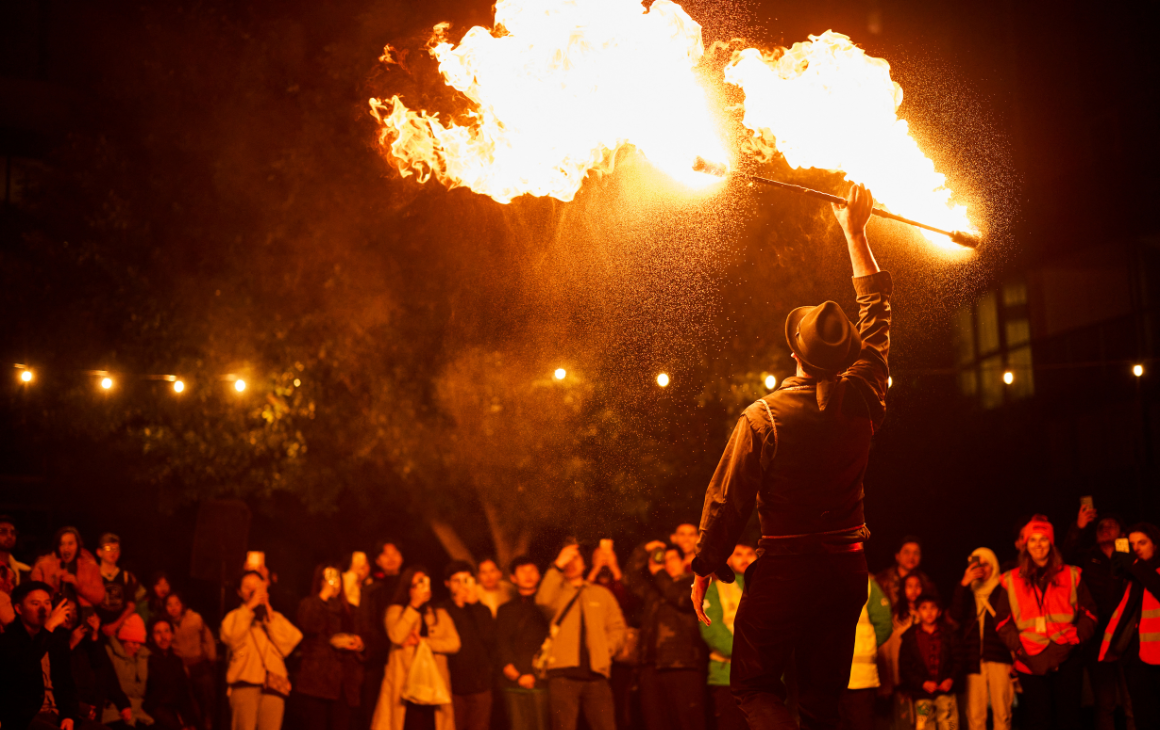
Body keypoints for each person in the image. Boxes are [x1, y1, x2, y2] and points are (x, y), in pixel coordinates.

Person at [691, 183, 891, 729]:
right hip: (847, 568)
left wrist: (705, 566)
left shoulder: (763, 416)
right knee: (823, 702)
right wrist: (856, 233)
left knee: (754, 688)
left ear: (793, 352)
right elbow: (877, 311)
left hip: (786, 572)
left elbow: (727, 498)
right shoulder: (867, 389)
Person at [993, 515, 1097, 730]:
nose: (1038, 544)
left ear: (1051, 542)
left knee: (1069, 720)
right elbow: (1002, 622)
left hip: (1066, 656)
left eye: (1043, 539)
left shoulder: (1071, 574)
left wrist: (1075, 639)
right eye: (1033, 539)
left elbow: (1091, 613)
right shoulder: (1011, 579)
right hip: (1030, 660)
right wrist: (1020, 647)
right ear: (1025, 544)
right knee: (1039, 722)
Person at [536, 542, 627, 730]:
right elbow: (542, 600)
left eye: (575, 558)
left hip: (597, 676)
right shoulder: (555, 592)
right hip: (562, 675)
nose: (570, 562)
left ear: (585, 564)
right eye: (566, 558)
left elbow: (618, 628)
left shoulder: (601, 594)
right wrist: (557, 565)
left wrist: (605, 649)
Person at [1062, 506, 1134, 730]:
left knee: (1133, 701)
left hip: (1128, 637)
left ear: (1122, 533)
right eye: (1101, 527)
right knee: (1105, 703)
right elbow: (1064, 557)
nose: (1105, 529)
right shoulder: (1088, 557)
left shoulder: (1130, 558)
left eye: (1111, 526)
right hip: (1097, 640)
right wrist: (1079, 527)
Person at [626, 541, 706, 730]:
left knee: (687, 722)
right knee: (655, 723)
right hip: (650, 667)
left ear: (684, 561)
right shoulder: (653, 589)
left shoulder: (694, 584)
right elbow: (629, 579)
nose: (667, 564)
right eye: (663, 560)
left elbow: (679, 598)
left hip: (683, 665)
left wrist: (659, 573)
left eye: (672, 559)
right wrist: (643, 550)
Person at [371, 566, 461, 730]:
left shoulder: (440, 614)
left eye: (425, 583)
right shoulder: (394, 611)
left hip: (433, 684)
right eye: (416, 584)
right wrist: (413, 606)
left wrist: (425, 642)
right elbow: (396, 636)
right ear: (407, 588)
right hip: (404, 685)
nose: (422, 588)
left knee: (433, 724)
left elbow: (454, 643)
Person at [221, 570, 303, 730]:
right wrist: (249, 607)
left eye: (257, 587)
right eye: (247, 587)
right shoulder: (234, 616)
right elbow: (231, 638)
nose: (252, 591)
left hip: (273, 686)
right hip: (244, 685)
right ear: (239, 592)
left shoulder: (274, 617)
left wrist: (268, 612)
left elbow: (290, 643)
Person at [1099, 522, 1160, 729]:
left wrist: (1134, 564)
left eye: (1142, 542)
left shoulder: (1147, 571)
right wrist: (1115, 576)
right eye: (1131, 544)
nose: (1136, 549)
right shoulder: (1131, 576)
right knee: (1143, 715)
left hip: (1158, 656)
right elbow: (1109, 607)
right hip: (1134, 657)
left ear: (1155, 545)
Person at [0, 580, 80, 730]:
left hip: (57, 714)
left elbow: (67, 684)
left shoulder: (57, 640)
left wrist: (69, 716)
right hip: (25, 718)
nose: (43, 609)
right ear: (19, 608)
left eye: (47, 603)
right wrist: (49, 627)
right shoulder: (8, 641)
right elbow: (24, 667)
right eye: (35, 604)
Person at [296, 563, 367, 730]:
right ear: (319, 581)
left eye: (337, 577)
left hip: (344, 683)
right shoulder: (309, 604)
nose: (333, 582)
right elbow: (308, 625)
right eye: (328, 578)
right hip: (316, 682)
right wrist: (323, 596)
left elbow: (364, 635)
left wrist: (360, 644)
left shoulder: (350, 609)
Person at [948, 548, 1013, 730]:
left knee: (1003, 712)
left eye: (986, 564)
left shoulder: (1004, 588)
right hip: (972, 659)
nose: (982, 568)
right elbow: (955, 614)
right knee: (975, 714)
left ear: (994, 565)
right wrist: (964, 583)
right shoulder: (967, 590)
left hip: (999, 657)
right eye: (977, 564)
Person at [699, 543, 757, 730]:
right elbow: (712, 629)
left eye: (750, 553)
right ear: (729, 560)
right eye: (738, 554)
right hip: (727, 675)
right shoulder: (715, 589)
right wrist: (749, 654)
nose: (745, 558)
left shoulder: (768, 587)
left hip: (764, 678)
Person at [439, 561, 497, 730]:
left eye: (466, 580)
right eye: (456, 581)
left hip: (480, 685)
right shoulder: (442, 610)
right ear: (447, 584)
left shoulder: (482, 609)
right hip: (452, 686)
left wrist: (475, 605)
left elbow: (490, 641)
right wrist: (458, 606)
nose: (462, 585)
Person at [496, 556, 551, 730]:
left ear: (539, 575)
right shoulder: (505, 609)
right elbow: (501, 642)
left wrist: (537, 673)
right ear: (513, 578)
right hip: (513, 679)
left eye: (532, 570)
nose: (528, 575)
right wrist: (514, 672)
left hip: (543, 678)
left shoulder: (549, 606)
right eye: (522, 571)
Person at [898, 595, 962, 730]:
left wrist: (951, 679)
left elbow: (959, 660)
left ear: (939, 612)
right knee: (924, 725)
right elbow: (904, 666)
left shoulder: (949, 634)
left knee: (949, 725)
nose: (929, 612)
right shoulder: (910, 636)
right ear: (917, 612)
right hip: (922, 694)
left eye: (933, 608)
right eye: (924, 608)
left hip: (946, 693)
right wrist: (921, 683)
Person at [837, 576, 891, 730]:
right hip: (853, 678)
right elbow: (884, 625)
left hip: (851, 679)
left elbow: (884, 625)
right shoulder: (867, 585)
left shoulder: (867, 586)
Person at [67, 602, 132, 727]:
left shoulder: (88, 639)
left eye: (75, 611)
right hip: (73, 707)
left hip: (93, 703)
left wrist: (94, 635)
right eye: (67, 611)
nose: (71, 615)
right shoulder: (54, 636)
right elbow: (59, 671)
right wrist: (71, 644)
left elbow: (103, 668)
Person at [364, 542, 405, 727]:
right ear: (378, 561)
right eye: (385, 555)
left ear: (401, 557)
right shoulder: (372, 591)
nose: (391, 558)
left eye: (395, 553)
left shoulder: (410, 587)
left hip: (406, 656)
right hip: (379, 659)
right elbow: (368, 624)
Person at [166, 592, 218, 730]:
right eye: (169, 604)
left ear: (182, 605)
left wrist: (211, 657)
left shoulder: (195, 618)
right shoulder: (165, 625)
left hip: (200, 664)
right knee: (190, 702)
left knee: (207, 699)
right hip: (181, 667)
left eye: (176, 603)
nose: (173, 607)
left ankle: (207, 725)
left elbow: (207, 637)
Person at [883, 573, 925, 727]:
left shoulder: (928, 614)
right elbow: (889, 650)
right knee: (904, 721)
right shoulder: (896, 617)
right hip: (901, 679)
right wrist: (890, 682)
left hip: (924, 680)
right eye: (909, 586)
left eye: (917, 586)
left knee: (924, 720)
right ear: (902, 589)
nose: (914, 590)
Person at [146, 617, 202, 730]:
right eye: (158, 632)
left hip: (176, 712)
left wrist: (191, 722)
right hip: (157, 715)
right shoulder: (147, 660)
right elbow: (152, 701)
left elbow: (184, 694)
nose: (163, 637)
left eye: (166, 631)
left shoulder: (176, 660)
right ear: (151, 637)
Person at [32, 527, 106, 610]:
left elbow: (99, 597)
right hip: (53, 613)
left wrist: (79, 586)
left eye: (70, 543)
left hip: (84, 615)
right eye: (62, 544)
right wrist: (54, 583)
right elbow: (34, 598)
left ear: (78, 545)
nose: (66, 548)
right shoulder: (43, 565)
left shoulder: (90, 566)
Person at [103, 613, 152, 727]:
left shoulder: (143, 657)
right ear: (123, 640)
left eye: (139, 643)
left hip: (137, 710)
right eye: (133, 642)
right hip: (114, 710)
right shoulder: (110, 654)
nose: (137, 647)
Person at [94, 534, 140, 641]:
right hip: (97, 630)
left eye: (116, 549)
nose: (113, 552)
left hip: (120, 631)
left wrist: (115, 625)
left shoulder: (125, 576)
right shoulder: (94, 575)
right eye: (109, 548)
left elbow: (131, 606)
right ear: (99, 552)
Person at [875, 537, 937, 609]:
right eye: (906, 552)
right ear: (897, 556)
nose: (911, 557)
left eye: (916, 553)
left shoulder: (926, 582)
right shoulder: (882, 580)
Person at [1, 514, 32, 627]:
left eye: (12, 532)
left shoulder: (23, 571)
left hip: (15, 631)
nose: (9, 536)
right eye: (3, 531)